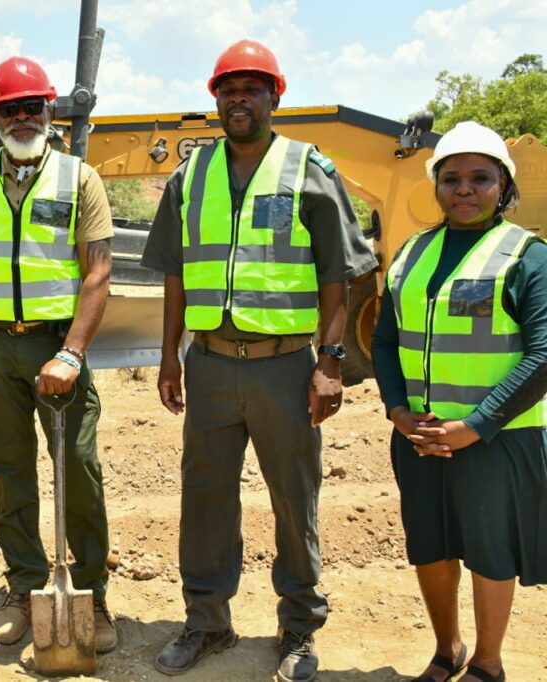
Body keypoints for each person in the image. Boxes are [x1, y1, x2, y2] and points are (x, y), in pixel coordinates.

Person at [141, 40, 377, 680]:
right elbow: (176, 276)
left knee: (293, 500)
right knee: (206, 497)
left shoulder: (308, 170)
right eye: (227, 88)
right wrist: (170, 356)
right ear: (214, 98)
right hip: (211, 365)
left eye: (252, 88)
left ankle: (299, 630)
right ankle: (206, 623)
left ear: (275, 97)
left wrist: (330, 363)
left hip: (285, 368)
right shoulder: (190, 176)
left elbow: (340, 274)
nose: (238, 99)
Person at [0, 56, 117, 653]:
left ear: (50, 112)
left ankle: (92, 594)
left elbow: (99, 273)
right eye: (10, 108)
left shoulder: (78, 178)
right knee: (10, 472)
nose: (22, 117)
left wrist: (73, 354)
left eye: (32, 107)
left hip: (57, 347)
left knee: (78, 471)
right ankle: (23, 585)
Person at [373, 121, 547, 682]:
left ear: (504, 186)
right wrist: (398, 412)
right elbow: (383, 337)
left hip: (497, 439)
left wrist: (477, 424)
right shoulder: (411, 253)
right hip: (421, 436)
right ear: (436, 186)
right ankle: (448, 650)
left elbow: (543, 354)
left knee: (489, 550)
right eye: (451, 179)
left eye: (480, 178)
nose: (464, 189)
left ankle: (489, 664)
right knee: (430, 546)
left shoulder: (526, 256)